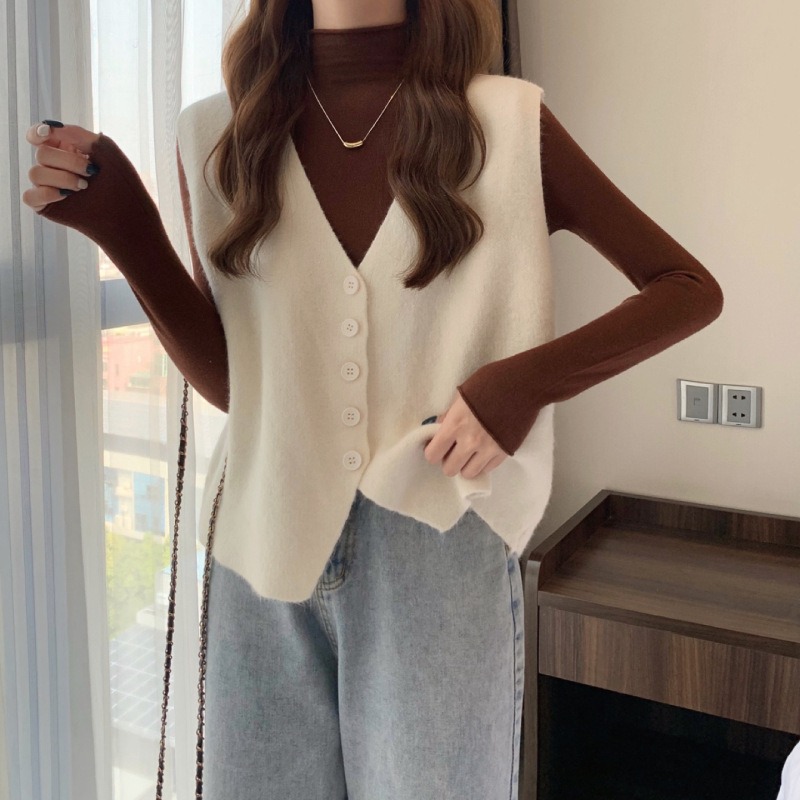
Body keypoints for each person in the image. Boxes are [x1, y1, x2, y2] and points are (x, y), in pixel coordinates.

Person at [22, 1, 724, 797]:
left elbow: (687, 288)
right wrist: (125, 229)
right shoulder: (215, 132)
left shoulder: (506, 121)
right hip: (260, 542)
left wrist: (519, 386)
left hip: (440, 547)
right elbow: (237, 388)